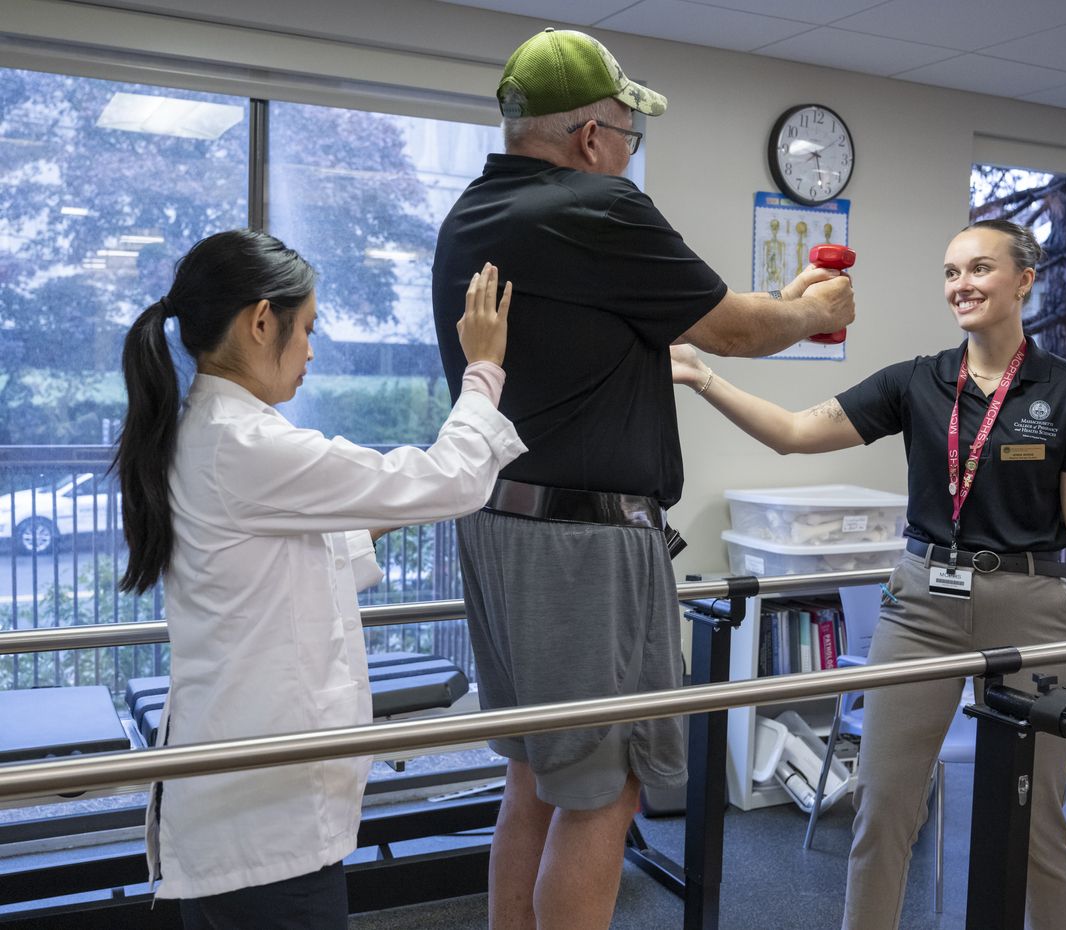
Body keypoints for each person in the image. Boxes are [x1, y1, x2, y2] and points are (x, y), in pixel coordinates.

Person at [430, 26, 855, 930]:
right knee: (602, 794)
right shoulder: (598, 208)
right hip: (581, 545)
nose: (629, 152)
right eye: (629, 133)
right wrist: (809, 310)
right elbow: (732, 328)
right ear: (591, 136)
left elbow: (572, 353)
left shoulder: (474, 215)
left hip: (499, 519)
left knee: (536, 776)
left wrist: (758, 314)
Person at [671, 218, 1066, 930]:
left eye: (980, 269)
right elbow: (797, 433)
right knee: (884, 805)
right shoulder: (918, 382)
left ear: (1023, 281)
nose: (962, 285)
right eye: (952, 272)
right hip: (922, 600)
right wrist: (705, 376)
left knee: (1039, 821)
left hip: (1032, 602)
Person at [114, 229, 525, 930]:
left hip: (240, 801)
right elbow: (449, 480)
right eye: (305, 328)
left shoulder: (209, 433)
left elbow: (313, 542)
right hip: (266, 823)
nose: (311, 348)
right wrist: (482, 371)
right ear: (261, 321)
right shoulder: (249, 444)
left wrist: (384, 501)